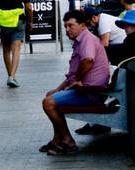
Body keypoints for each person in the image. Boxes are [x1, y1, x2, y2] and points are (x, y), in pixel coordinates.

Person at [40, 9, 111, 155]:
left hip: (91, 93)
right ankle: (57, 140)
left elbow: (88, 60)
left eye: (70, 26)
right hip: (84, 90)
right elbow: (72, 74)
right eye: (65, 26)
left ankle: (67, 140)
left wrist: (77, 80)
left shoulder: (87, 40)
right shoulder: (81, 40)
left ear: (82, 25)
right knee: (50, 95)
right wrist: (59, 88)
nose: (67, 30)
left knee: (48, 103)